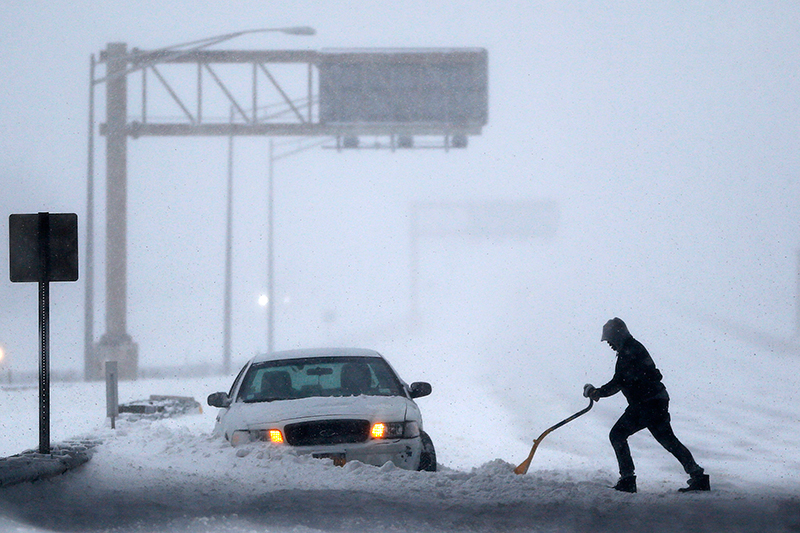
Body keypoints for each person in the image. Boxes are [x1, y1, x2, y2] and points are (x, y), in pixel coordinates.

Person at [584, 317, 710, 493]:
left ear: (618, 336)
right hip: (654, 401)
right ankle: (698, 476)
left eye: (611, 339)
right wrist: (600, 392)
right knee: (668, 441)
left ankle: (628, 479)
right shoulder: (631, 348)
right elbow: (622, 380)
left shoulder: (630, 351)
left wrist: (598, 392)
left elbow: (619, 381)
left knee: (618, 435)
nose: (609, 344)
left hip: (646, 404)